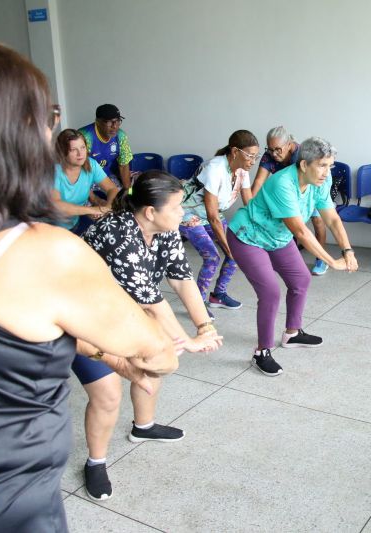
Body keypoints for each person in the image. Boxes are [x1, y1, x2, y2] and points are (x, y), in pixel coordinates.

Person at [0, 42, 177, 531]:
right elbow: (158, 354)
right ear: (23, 132)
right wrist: (120, 356)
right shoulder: (41, 252)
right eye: (48, 115)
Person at [76, 170, 223, 501]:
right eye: (176, 206)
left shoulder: (166, 229)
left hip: (126, 308)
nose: (183, 212)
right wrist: (189, 340)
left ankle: (143, 427)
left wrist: (204, 327)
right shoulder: (118, 233)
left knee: (158, 358)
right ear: (150, 211)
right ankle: (95, 462)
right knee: (107, 394)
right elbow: (155, 306)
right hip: (84, 316)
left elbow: (181, 278)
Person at [228, 137, 358, 376]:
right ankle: (262, 352)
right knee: (270, 292)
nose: (326, 172)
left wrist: (347, 250)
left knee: (300, 280)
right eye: (321, 165)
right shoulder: (282, 183)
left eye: (330, 165)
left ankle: (292, 333)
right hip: (248, 235)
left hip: (277, 237)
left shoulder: (321, 180)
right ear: (304, 165)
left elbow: (332, 218)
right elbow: (300, 231)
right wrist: (331, 261)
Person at [180, 130, 255, 312]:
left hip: (211, 214)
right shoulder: (214, 168)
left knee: (237, 249)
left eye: (256, 156)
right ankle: (197, 306)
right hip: (188, 214)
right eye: (250, 156)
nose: (253, 161)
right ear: (235, 152)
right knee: (212, 257)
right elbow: (212, 216)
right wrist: (228, 249)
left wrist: (259, 231)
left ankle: (218, 295)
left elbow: (250, 204)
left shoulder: (242, 170)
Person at [252, 126, 330, 276]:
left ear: (289, 144)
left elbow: (310, 179)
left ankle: (321, 258)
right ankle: (290, 258)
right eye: (270, 149)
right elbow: (259, 182)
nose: (274, 154)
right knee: (288, 224)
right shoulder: (269, 155)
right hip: (285, 194)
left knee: (318, 221)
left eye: (277, 149)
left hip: (309, 190)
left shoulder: (302, 154)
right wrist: (251, 207)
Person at [52, 128, 119, 235]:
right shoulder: (54, 171)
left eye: (82, 147)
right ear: (62, 152)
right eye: (73, 150)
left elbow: (112, 189)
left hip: (72, 224)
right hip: (48, 228)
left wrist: (107, 207)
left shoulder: (91, 164)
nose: (80, 154)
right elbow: (57, 205)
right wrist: (91, 210)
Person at [79, 103, 134, 190]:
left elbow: (123, 166)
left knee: (121, 198)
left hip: (109, 176)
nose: (115, 126)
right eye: (109, 122)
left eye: (118, 121)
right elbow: (77, 167)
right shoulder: (85, 137)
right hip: (87, 179)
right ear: (98, 122)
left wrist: (129, 192)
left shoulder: (121, 136)